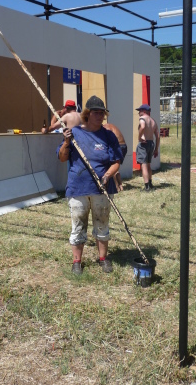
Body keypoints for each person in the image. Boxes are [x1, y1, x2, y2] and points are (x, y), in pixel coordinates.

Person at [57, 95, 123, 275]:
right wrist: (66, 142)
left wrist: (107, 175)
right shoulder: (74, 133)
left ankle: (103, 258)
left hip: (102, 188)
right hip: (78, 187)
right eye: (96, 112)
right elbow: (62, 157)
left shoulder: (108, 135)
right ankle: (77, 262)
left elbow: (117, 161)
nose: (100, 116)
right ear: (87, 114)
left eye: (102, 113)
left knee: (102, 223)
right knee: (78, 224)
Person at [135, 104, 160, 192]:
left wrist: (139, 137)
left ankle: (146, 187)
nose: (139, 112)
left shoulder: (142, 118)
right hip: (151, 143)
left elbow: (142, 127)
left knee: (144, 165)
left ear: (144, 111)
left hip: (144, 144)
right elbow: (157, 136)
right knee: (148, 165)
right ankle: (150, 183)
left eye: (140, 110)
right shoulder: (153, 121)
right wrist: (156, 149)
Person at [103, 122, 127, 191]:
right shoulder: (112, 126)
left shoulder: (106, 127)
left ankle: (116, 187)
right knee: (116, 168)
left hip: (118, 146)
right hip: (123, 146)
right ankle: (121, 186)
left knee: (112, 167)